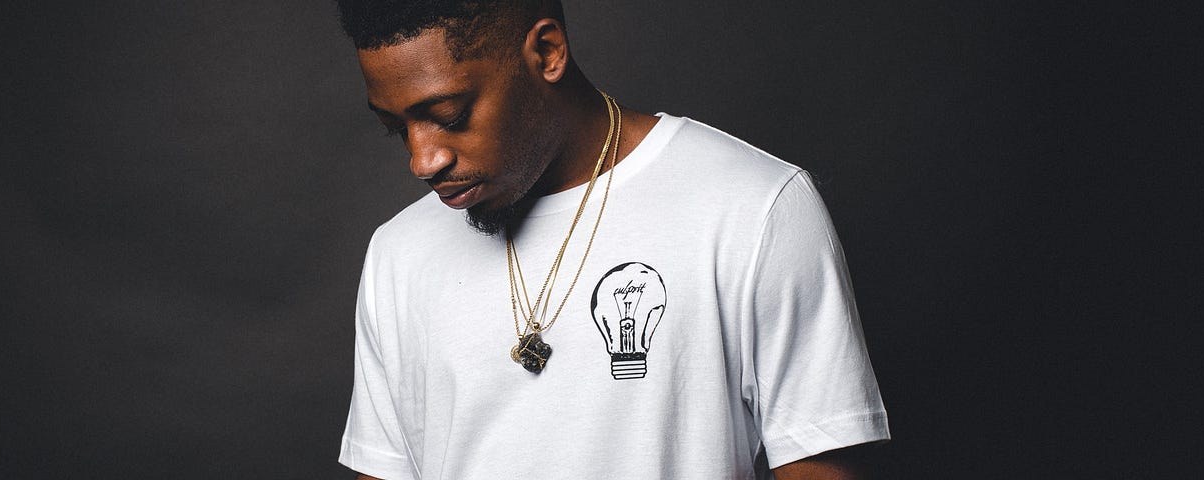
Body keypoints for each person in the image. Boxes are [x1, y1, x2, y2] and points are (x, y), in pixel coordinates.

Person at [334, 1, 889, 478]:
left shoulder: (752, 206)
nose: (421, 159)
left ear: (547, 52)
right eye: (395, 126)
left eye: (450, 116)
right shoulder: (399, 252)